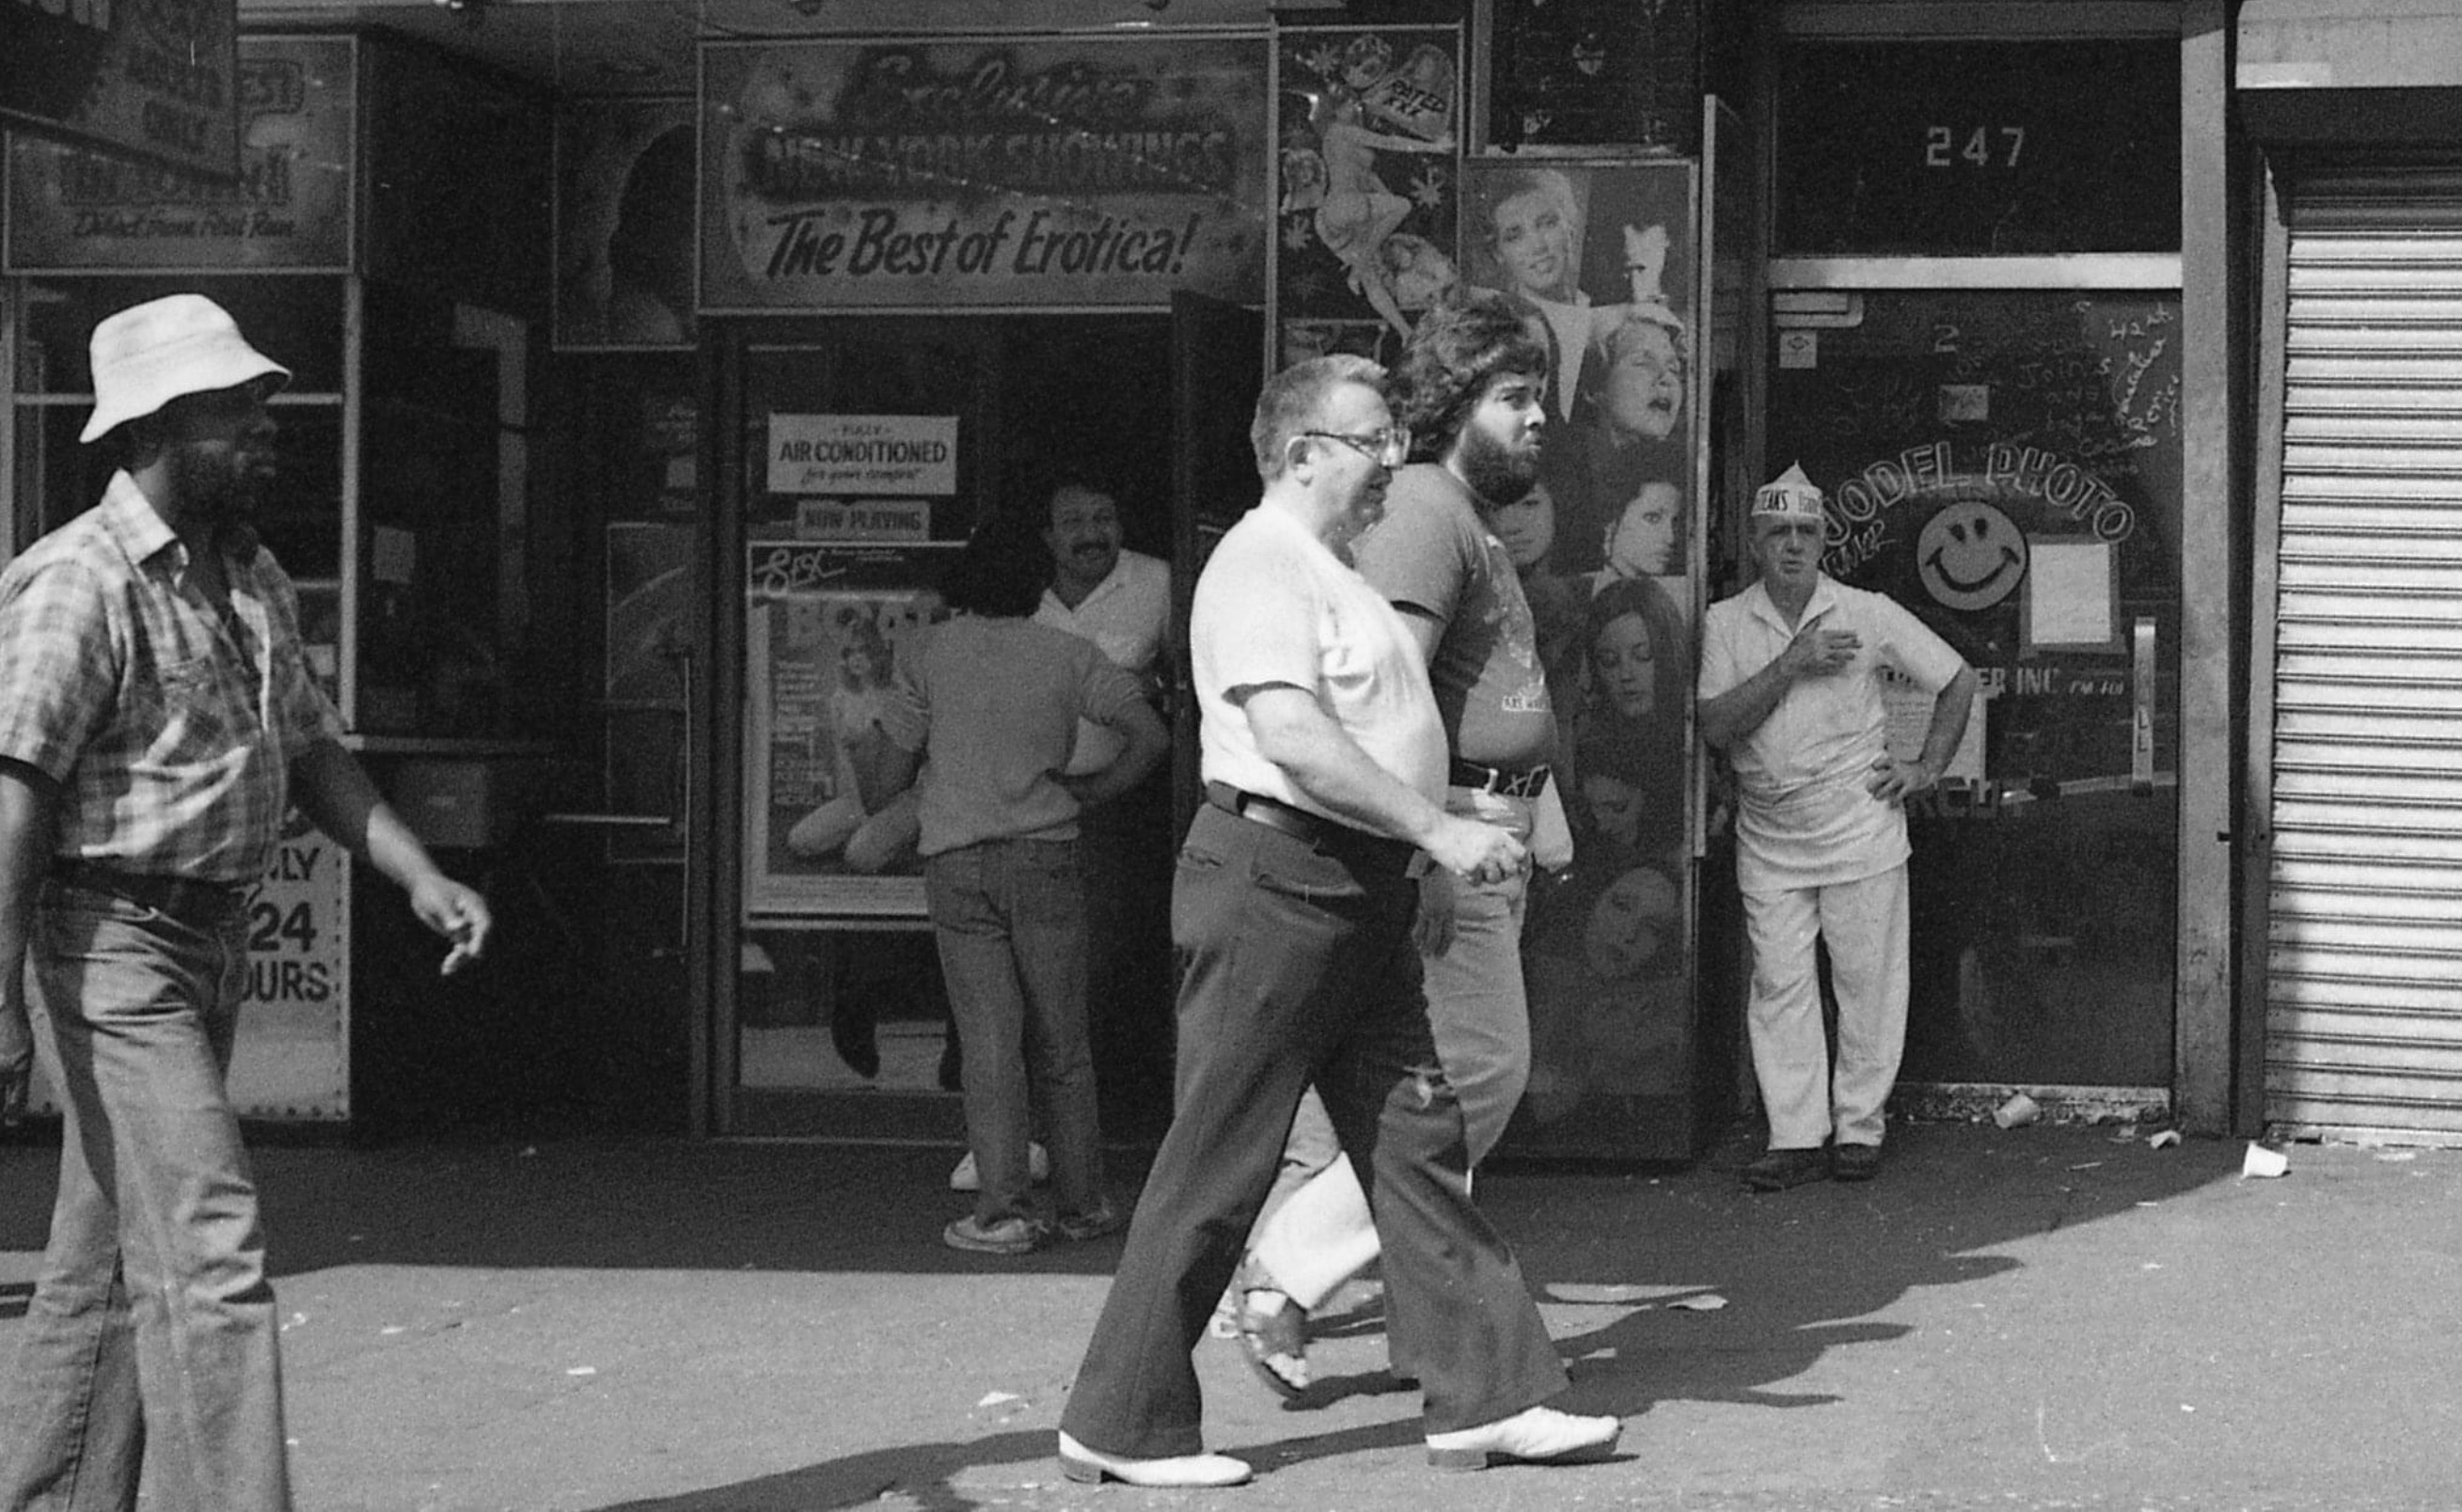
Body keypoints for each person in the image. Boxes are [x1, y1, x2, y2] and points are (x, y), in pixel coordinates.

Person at [1055, 354, 1618, 1488]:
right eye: (1372, 445)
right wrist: (1443, 834)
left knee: (1417, 1140)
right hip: (1276, 879)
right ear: (1303, 452)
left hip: (1352, 885)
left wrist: (1414, 860)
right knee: (1219, 1155)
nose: (1391, 467)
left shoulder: (1332, 566)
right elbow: (1296, 736)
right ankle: (1118, 1423)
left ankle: (1487, 1399)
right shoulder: (1259, 563)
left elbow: (1379, 723)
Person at [0, 292, 494, 1509]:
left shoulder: (250, 574)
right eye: (236, 413)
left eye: (263, 407)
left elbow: (313, 749)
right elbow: (12, 801)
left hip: (207, 937)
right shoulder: (79, 583)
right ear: (155, 431)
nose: (266, 431)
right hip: (109, 940)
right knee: (210, 1254)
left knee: (114, 1254)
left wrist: (414, 870)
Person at [1228, 293, 1569, 1396]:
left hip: (1484, 833)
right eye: (1512, 398)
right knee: (1472, 1073)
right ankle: (1284, 1270)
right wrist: (1422, 849)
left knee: (1432, 1084)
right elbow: (1388, 694)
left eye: (1540, 399)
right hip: (1448, 839)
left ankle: (1383, 1307)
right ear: (1451, 404)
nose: (1536, 421)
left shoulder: (1464, 515)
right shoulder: (1427, 508)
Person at [880, 508, 1169, 1255]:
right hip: (1048, 853)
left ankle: (1003, 1212)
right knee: (1063, 1041)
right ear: (1038, 582)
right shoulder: (1066, 654)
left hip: (957, 860)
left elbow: (887, 775)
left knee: (990, 1040)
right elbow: (1152, 734)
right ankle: (1084, 1204)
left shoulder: (927, 654)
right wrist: (1097, 790)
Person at [1697, 464, 1979, 1192]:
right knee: (1780, 983)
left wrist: (1926, 768)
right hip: (1770, 831)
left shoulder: (1867, 611)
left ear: (1824, 539)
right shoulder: (1727, 622)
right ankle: (1794, 1135)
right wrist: (1791, 665)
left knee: (1868, 983)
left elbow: (1957, 680)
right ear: (1754, 543)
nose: (1792, 546)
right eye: (1776, 533)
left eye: (1806, 532)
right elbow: (1718, 726)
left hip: (1858, 826)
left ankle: (1860, 1126)